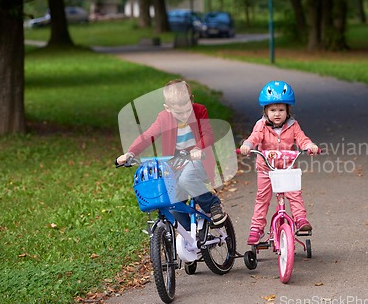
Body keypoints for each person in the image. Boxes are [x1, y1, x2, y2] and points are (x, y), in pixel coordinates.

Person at [116, 79, 227, 229]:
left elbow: (208, 135)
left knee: (186, 180)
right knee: (170, 197)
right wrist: (130, 153)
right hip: (175, 163)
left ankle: (213, 204)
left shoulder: (200, 111)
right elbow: (148, 136)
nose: (184, 115)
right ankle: (189, 233)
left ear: (191, 100)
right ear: (167, 108)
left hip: (198, 159)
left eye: (188, 110)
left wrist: (198, 148)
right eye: (179, 112)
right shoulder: (163, 118)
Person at [239, 81, 319, 245]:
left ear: (288, 110)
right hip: (266, 169)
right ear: (266, 110)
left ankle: (300, 220)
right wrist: (247, 146)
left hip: (287, 168)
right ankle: (256, 228)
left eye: (281, 110)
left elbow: (302, 139)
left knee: (294, 194)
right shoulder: (261, 126)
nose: (277, 114)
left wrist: (309, 146)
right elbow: (254, 138)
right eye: (273, 110)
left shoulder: (293, 125)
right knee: (263, 198)